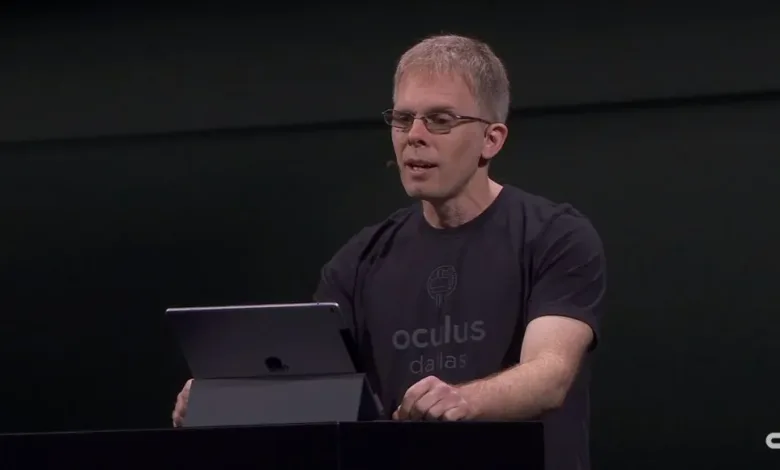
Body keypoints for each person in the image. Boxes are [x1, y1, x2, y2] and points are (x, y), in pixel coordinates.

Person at [172, 34, 606, 470]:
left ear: (491, 140)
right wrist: (223, 404)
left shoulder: (555, 236)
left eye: (439, 120)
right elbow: (317, 393)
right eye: (403, 119)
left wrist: (462, 399)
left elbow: (550, 375)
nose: (414, 137)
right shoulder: (358, 261)